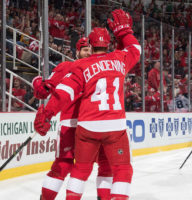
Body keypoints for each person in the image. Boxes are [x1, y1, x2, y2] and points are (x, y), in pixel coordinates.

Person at [34, 9, 140, 200]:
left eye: (86, 48)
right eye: (82, 49)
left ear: (91, 47)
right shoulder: (114, 59)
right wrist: (125, 33)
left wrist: (46, 110)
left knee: (86, 168)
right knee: (71, 166)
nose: (85, 52)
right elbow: (49, 91)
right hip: (87, 125)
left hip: (85, 125)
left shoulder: (77, 66)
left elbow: (58, 93)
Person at [33, 37, 113, 200]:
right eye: (85, 50)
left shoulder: (99, 69)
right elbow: (46, 90)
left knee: (105, 165)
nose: (89, 52)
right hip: (71, 124)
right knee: (63, 165)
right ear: (77, 52)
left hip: (95, 125)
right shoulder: (67, 67)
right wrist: (39, 86)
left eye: (91, 50)